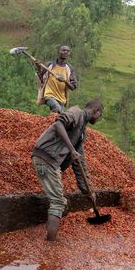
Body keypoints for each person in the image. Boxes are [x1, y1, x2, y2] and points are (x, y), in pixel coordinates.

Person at [31, 99, 104, 241]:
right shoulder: (76, 112)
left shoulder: (82, 133)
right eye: (99, 115)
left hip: (50, 161)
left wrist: (88, 191)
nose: (98, 118)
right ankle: (50, 242)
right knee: (58, 202)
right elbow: (58, 123)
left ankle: (51, 234)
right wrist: (71, 149)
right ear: (97, 111)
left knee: (59, 200)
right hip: (47, 157)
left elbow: (79, 163)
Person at [36, 45, 78, 114]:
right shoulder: (50, 65)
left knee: (58, 117)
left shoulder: (69, 68)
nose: (66, 52)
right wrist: (38, 66)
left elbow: (73, 87)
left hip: (62, 99)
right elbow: (40, 76)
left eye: (68, 51)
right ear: (58, 52)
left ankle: (48, 123)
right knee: (56, 108)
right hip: (49, 95)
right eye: (63, 50)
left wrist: (65, 81)